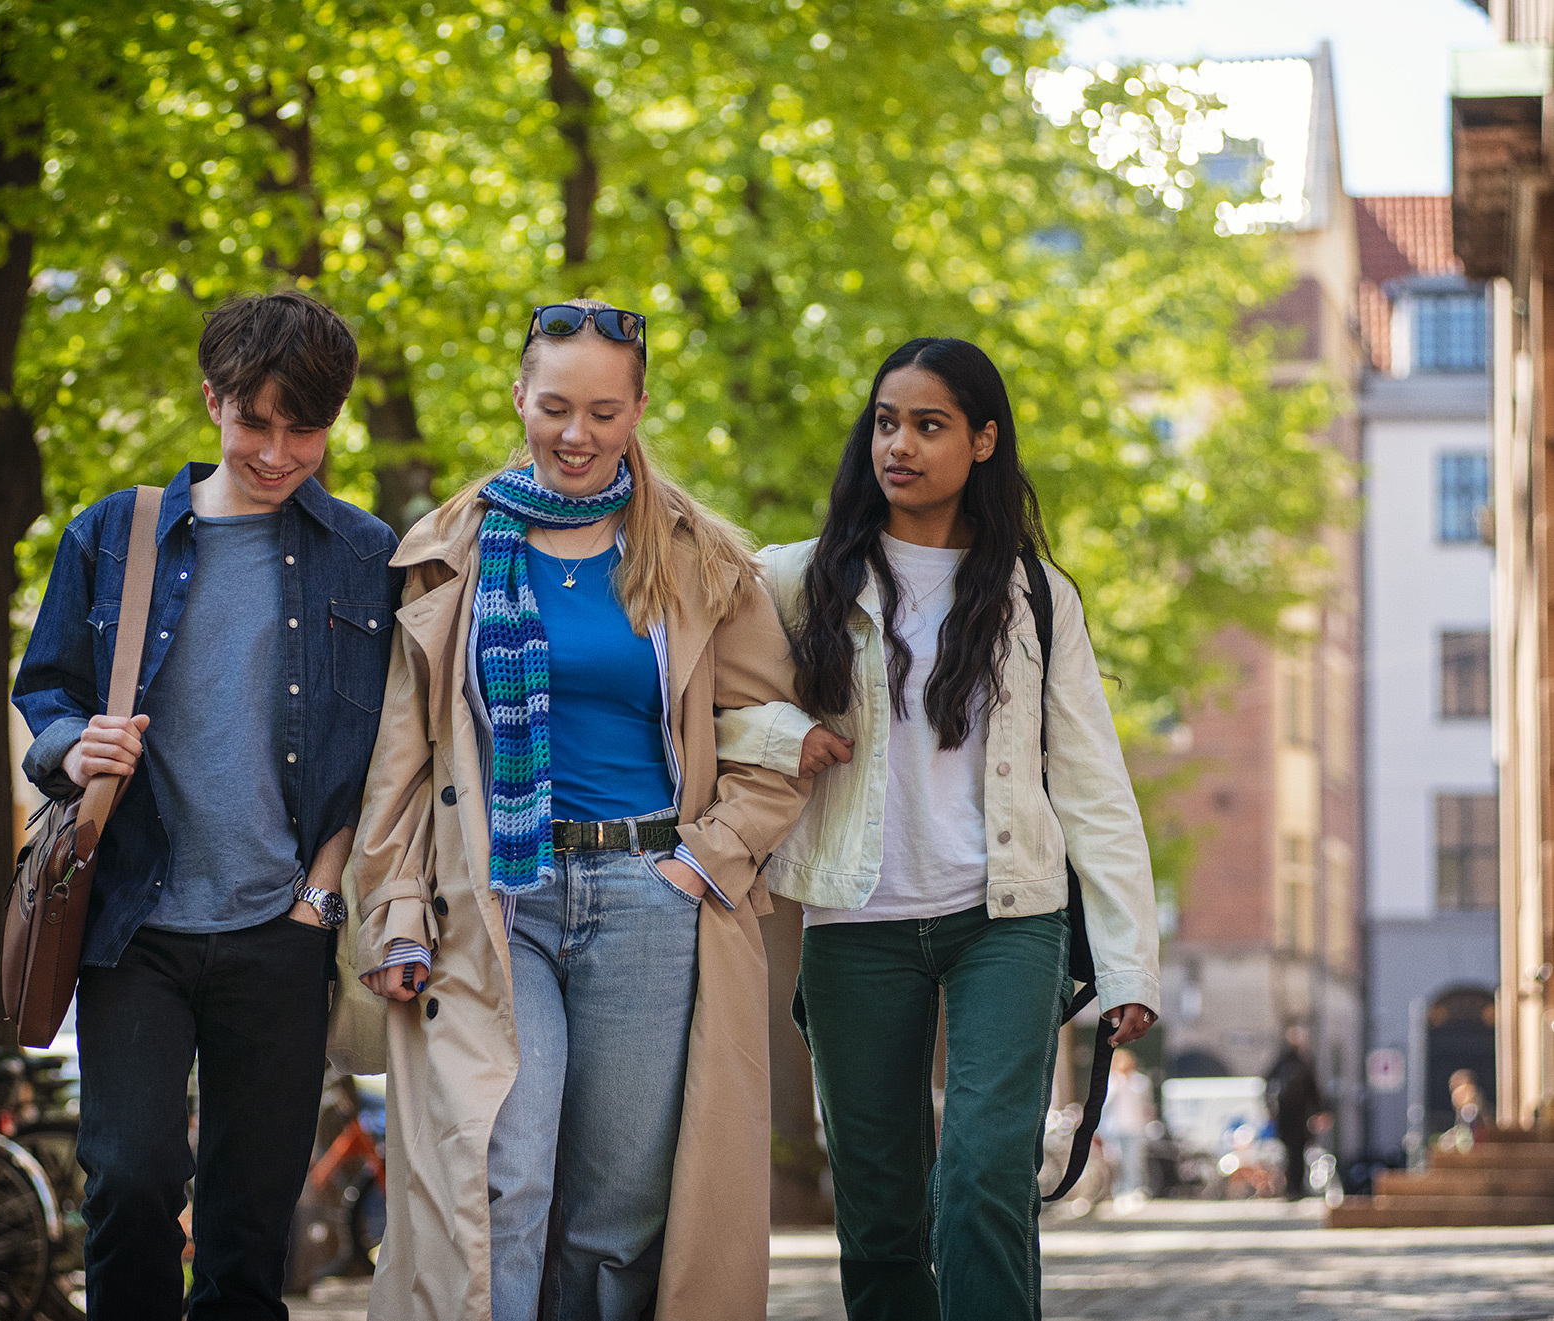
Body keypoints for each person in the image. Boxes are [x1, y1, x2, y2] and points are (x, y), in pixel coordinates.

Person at [349, 299, 812, 1321]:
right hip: (497, 896)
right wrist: (392, 906)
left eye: (604, 411)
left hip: (650, 898)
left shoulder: (696, 555)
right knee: (504, 1175)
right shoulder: (454, 549)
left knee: (618, 1212)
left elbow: (781, 739)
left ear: (639, 407)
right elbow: (403, 753)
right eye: (554, 406)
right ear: (518, 396)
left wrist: (702, 860)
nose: (576, 434)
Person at [714, 336, 1161, 1321]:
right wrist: (787, 733)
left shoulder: (1036, 598)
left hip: (1006, 919)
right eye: (885, 422)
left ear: (983, 441)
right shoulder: (795, 582)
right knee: (876, 1219)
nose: (899, 445)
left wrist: (1127, 965)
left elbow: (1093, 786)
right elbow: (694, 703)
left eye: (928, 425)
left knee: (982, 1177)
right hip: (853, 924)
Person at [12, 289, 401, 1320]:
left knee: (247, 1230)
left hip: (282, 927)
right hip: (135, 919)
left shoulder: (366, 556)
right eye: (254, 422)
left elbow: (382, 749)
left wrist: (320, 898)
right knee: (132, 1181)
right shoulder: (114, 535)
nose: (278, 452)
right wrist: (69, 741)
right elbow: (45, 688)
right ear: (212, 398)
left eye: (304, 429)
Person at [1265, 1024, 1325, 1199]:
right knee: (1294, 1152)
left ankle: (1293, 1187)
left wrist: (1270, 1110)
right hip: (1294, 1116)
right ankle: (1294, 1187)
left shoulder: (1288, 1062)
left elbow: (1313, 1089)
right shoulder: (1297, 1062)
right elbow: (1314, 1090)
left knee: (1292, 1152)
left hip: (1290, 1116)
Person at [1101, 1049, 1156, 1199]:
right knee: (1117, 1161)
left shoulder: (1140, 1081)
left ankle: (1135, 1189)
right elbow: (1104, 1103)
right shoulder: (1111, 1081)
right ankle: (1120, 1191)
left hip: (1134, 1128)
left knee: (1134, 1161)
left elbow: (1147, 1105)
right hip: (1115, 1128)